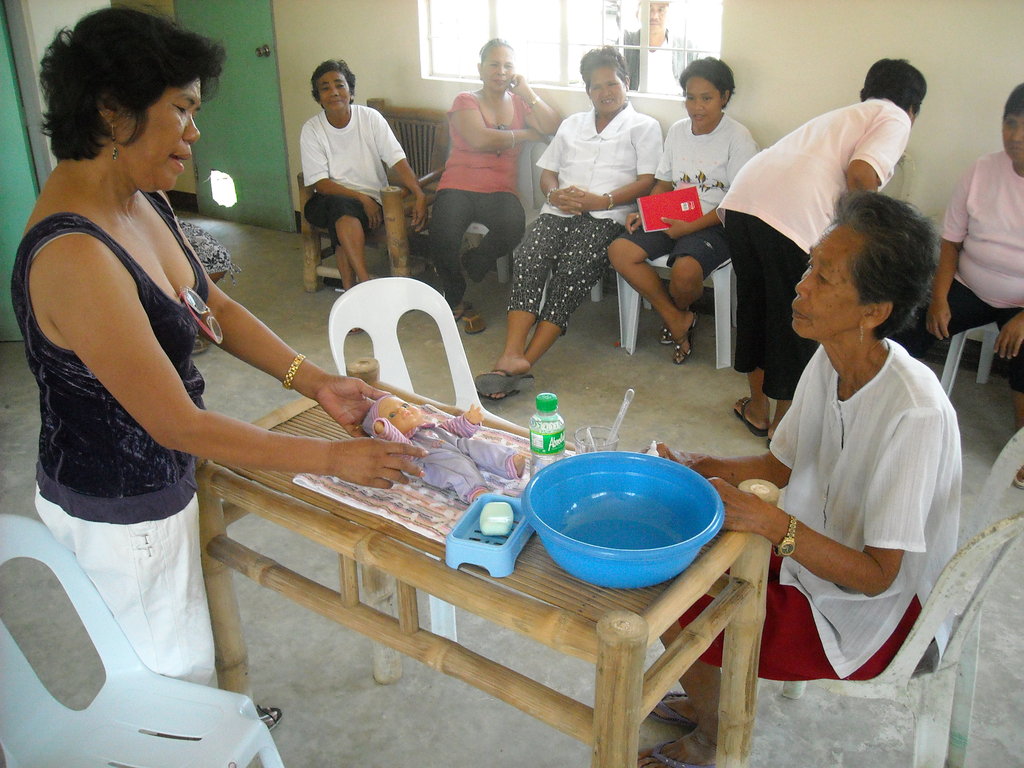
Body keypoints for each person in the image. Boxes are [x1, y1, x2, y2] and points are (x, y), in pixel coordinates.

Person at [10, 8, 425, 722]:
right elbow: (177, 424)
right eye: (181, 111)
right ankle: (189, 728)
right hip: (122, 506)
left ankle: (204, 714)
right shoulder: (76, 255)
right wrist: (330, 463)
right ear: (113, 112)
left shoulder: (139, 202)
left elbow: (214, 308)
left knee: (188, 643)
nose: (194, 134)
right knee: (165, 677)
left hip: (161, 475)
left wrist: (314, 380)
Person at [640, 192, 960, 768]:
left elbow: (876, 576)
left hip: (881, 616)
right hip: (820, 559)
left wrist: (771, 522)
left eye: (825, 278)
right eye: (811, 265)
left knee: (687, 605)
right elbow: (778, 467)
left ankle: (716, 740)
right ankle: (707, 697)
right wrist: (702, 466)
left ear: (873, 311)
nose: (801, 286)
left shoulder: (915, 413)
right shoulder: (831, 355)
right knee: (673, 559)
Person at [719, 58, 926, 441]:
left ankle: (759, 410)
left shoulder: (846, 115)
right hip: (790, 217)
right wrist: (860, 238)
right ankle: (785, 428)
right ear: (913, 108)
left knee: (756, 307)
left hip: (743, 203)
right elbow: (862, 174)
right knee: (797, 318)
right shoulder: (895, 116)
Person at [474, 46, 662, 400]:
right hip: (559, 212)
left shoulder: (644, 127)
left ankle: (523, 362)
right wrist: (553, 194)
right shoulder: (573, 124)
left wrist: (602, 200)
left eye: (612, 84)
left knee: (572, 271)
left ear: (627, 82)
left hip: (607, 216)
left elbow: (648, 181)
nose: (605, 92)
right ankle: (511, 352)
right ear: (587, 90)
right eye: (595, 86)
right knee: (529, 257)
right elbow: (549, 173)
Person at [894, 84, 1024, 486]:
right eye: (1010, 124)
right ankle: (893, 411)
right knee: (906, 319)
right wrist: (938, 297)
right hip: (971, 282)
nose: (1016, 137)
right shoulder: (982, 169)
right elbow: (950, 241)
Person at [608, 57, 757, 364]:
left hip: (715, 222)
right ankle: (677, 318)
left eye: (707, 98)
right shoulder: (677, 131)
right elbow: (663, 182)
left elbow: (737, 203)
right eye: (690, 97)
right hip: (674, 211)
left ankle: (680, 315)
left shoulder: (738, 137)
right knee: (620, 250)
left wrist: (687, 228)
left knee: (685, 272)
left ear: (725, 97)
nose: (697, 107)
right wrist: (646, 210)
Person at [429, 39, 561, 334]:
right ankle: (454, 295)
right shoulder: (465, 100)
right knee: (443, 235)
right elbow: (479, 139)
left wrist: (527, 92)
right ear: (480, 69)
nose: (501, 71)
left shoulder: (518, 102)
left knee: (513, 226)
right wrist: (525, 133)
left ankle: (475, 261)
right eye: (494, 64)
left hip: (499, 188)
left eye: (508, 66)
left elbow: (553, 126)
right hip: (459, 185)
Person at [300, 59, 428, 289]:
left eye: (339, 85)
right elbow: (320, 183)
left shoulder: (370, 118)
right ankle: (365, 284)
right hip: (326, 201)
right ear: (318, 97)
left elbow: (397, 160)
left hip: (368, 206)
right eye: (325, 88)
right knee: (339, 207)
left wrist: (419, 193)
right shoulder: (312, 129)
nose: (334, 92)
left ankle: (351, 291)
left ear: (351, 91)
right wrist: (360, 198)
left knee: (342, 219)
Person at [362, 395, 526, 502]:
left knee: (478, 446)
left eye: (404, 405)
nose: (403, 411)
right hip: (435, 464)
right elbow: (395, 440)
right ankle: (475, 492)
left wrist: (469, 420)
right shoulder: (406, 446)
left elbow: (453, 428)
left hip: (457, 446)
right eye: (392, 415)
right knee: (459, 467)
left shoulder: (430, 427)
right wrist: (383, 430)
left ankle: (507, 463)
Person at [623, 1, 688, 94]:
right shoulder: (624, 43)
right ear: (637, 13)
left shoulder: (685, 48)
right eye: (649, 8)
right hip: (634, 107)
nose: (654, 16)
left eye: (661, 9)